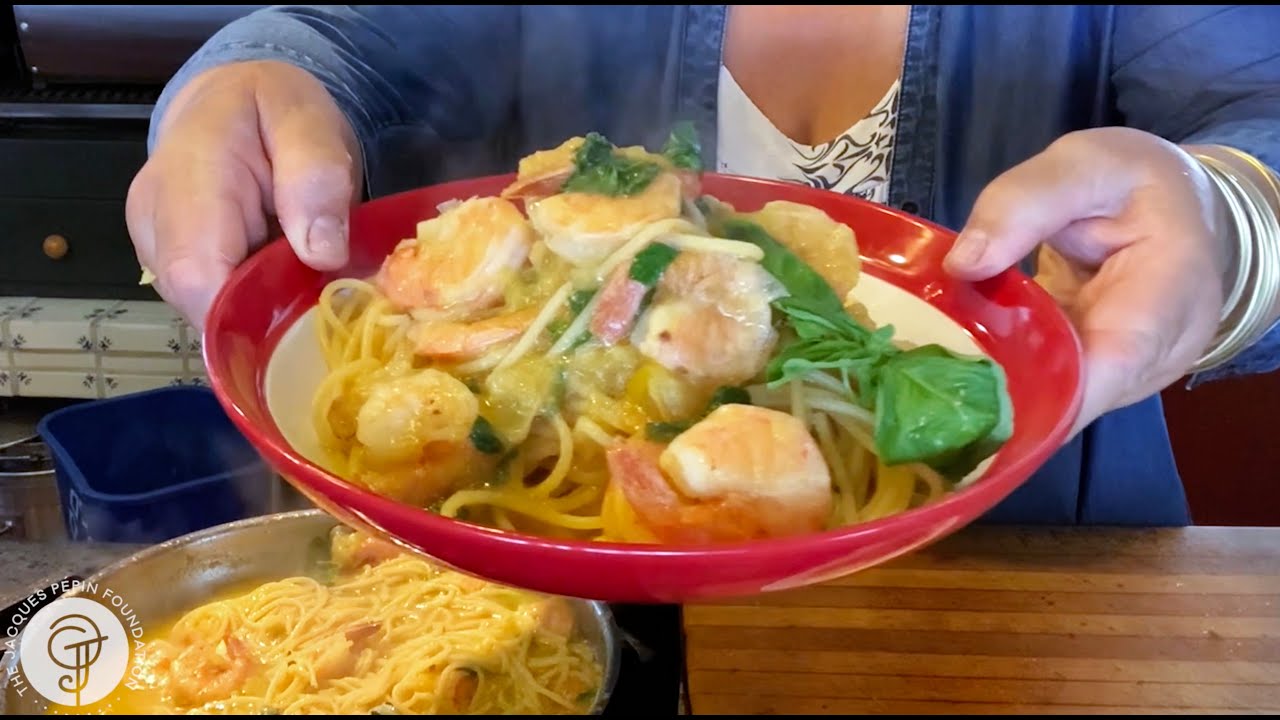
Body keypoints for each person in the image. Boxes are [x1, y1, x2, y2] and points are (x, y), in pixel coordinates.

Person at [126, 5, 1280, 527]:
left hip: (1033, 578)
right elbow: (343, 37)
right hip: (546, 596)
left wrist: (1230, 222)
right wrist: (247, 81)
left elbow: (1257, 108)